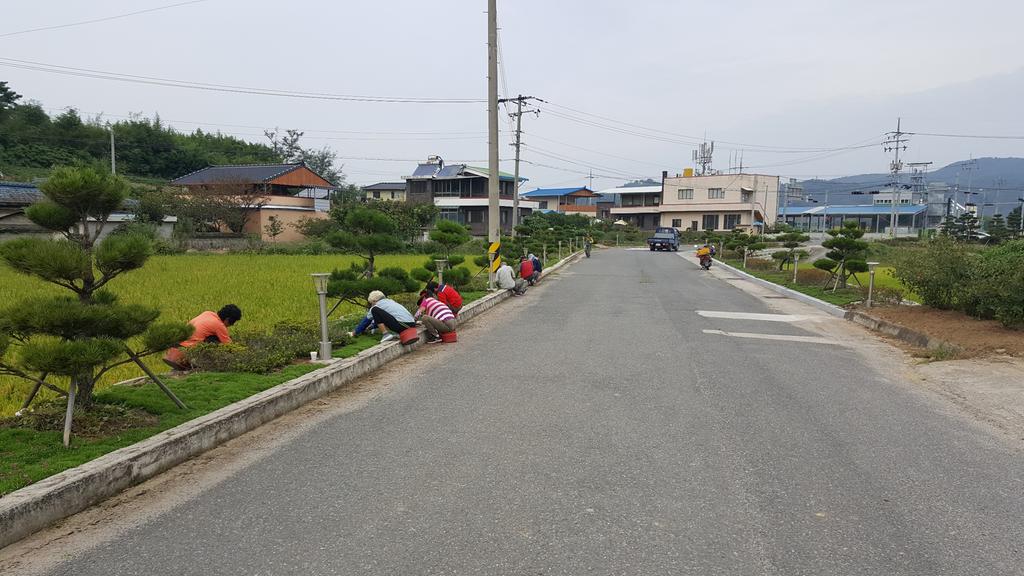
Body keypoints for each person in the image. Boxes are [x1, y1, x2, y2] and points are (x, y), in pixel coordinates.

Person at [163, 304, 243, 370]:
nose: (231, 325)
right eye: (232, 322)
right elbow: (229, 346)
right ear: (228, 319)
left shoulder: (207, 313)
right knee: (214, 340)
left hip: (172, 350)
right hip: (184, 354)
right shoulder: (219, 325)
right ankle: (204, 366)